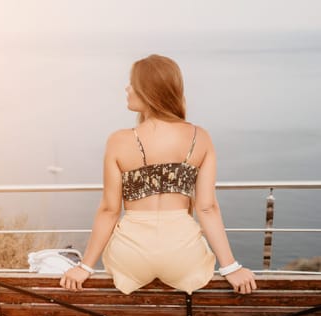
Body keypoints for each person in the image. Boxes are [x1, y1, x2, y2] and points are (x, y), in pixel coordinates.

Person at [60, 54, 257, 295]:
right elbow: (207, 208)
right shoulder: (200, 137)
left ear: (148, 90)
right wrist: (231, 267)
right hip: (183, 255)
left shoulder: (119, 140)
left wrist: (85, 266)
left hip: (131, 256)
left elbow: (109, 210)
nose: (127, 88)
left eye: (132, 83)